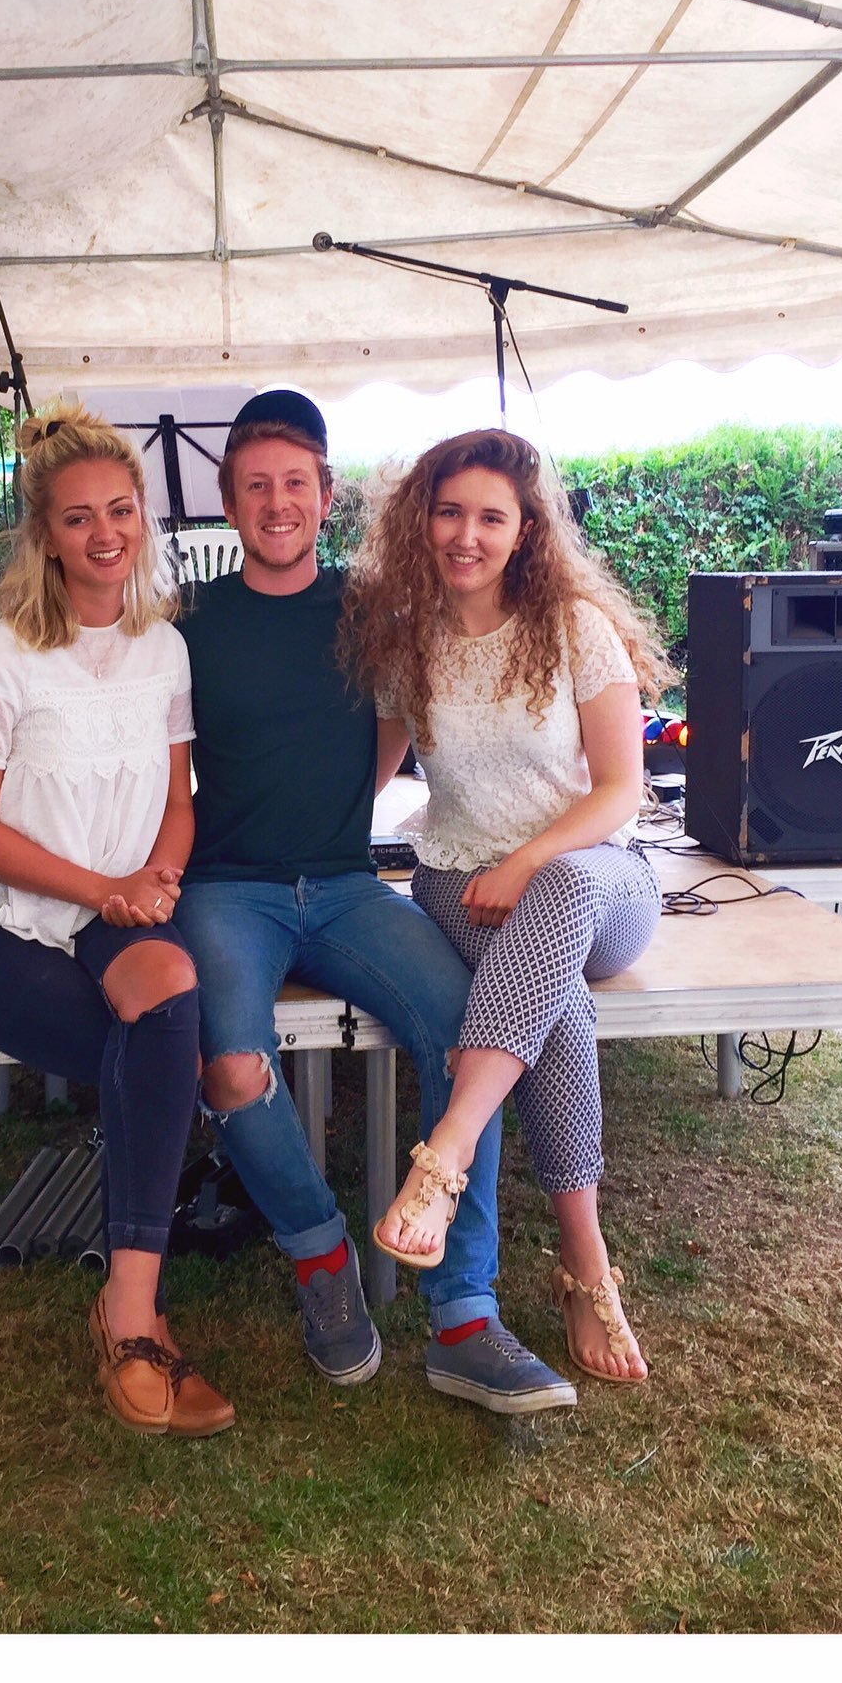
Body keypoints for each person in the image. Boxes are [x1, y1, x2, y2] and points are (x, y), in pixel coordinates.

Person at [171, 392, 577, 1415]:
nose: (277, 503)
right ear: (228, 501)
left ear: (323, 495)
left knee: (466, 1029)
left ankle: (464, 1317)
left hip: (348, 885)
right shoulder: (187, 622)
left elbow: (401, 717)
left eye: (295, 483)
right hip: (228, 888)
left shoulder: (374, 612)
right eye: (255, 485)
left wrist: (345, 799)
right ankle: (320, 1256)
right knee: (230, 1062)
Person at [0, 403, 233, 1439]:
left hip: (112, 903)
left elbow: (178, 799)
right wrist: (106, 891)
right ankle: (139, 1321)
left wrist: (158, 878)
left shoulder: (164, 648)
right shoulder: (4, 654)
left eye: (120, 510)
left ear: (144, 516)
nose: (105, 533)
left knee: (169, 997)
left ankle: (124, 1304)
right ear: (44, 536)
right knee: (165, 1053)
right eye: (77, 517)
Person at [340, 428, 672, 1384]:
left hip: (595, 879)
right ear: (422, 521)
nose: (466, 535)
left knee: (556, 899)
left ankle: (445, 1151)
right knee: (551, 1004)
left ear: (526, 529)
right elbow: (369, 774)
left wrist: (528, 860)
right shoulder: (408, 639)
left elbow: (621, 788)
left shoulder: (573, 627)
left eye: (491, 517)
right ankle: (586, 1268)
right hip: (460, 883)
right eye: (449, 513)